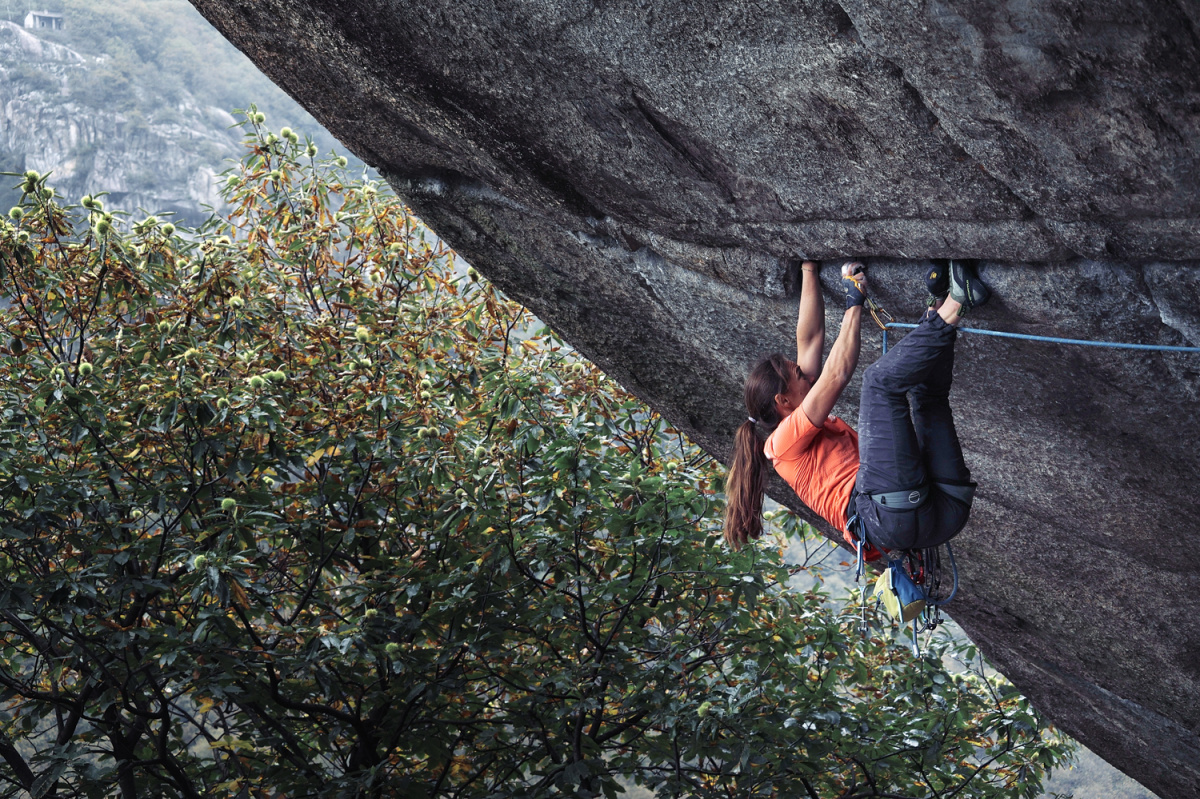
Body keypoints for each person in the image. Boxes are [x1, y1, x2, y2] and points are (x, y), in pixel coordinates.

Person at [723, 260, 989, 557]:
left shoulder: (797, 415)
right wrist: (854, 301)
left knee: (929, 396)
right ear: (783, 402)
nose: (805, 372)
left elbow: (809, 340)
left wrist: (809, 268)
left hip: (943, 511)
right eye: (798, 374)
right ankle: (958, 300)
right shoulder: (781, 445)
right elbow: (837, 374)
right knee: (879, 383)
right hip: (887, 513)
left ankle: (938, 308)